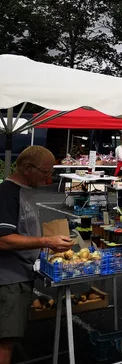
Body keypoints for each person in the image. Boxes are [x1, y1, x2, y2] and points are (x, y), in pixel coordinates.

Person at [0, 147, 72, 364]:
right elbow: (3, 239)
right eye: (45, 172)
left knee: (10, 336)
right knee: (6, 340)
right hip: (9, 279)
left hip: (21, 274)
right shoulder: (7, 193)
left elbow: (23, 230)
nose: (49, 179)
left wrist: (42, 247)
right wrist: (46, 241)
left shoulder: (24, 190)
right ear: (27, 168)